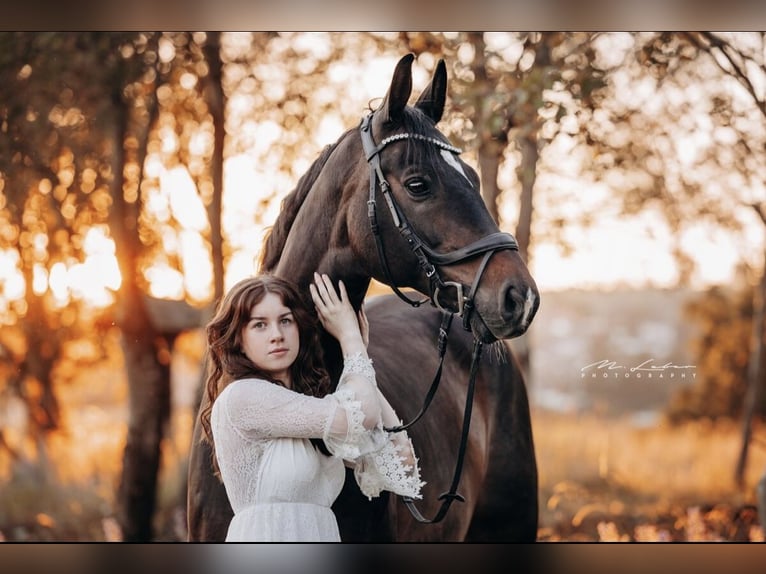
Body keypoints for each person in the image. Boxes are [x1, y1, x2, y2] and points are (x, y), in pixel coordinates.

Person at [200, 272, 424, 542]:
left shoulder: (307, 411)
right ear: (239, 340)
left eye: (285, 321)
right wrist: (349, 338)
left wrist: (360, 356)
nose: (277, 335)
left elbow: (400, 461)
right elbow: (361, 416)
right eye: (260, 325)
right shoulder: (244, 396)